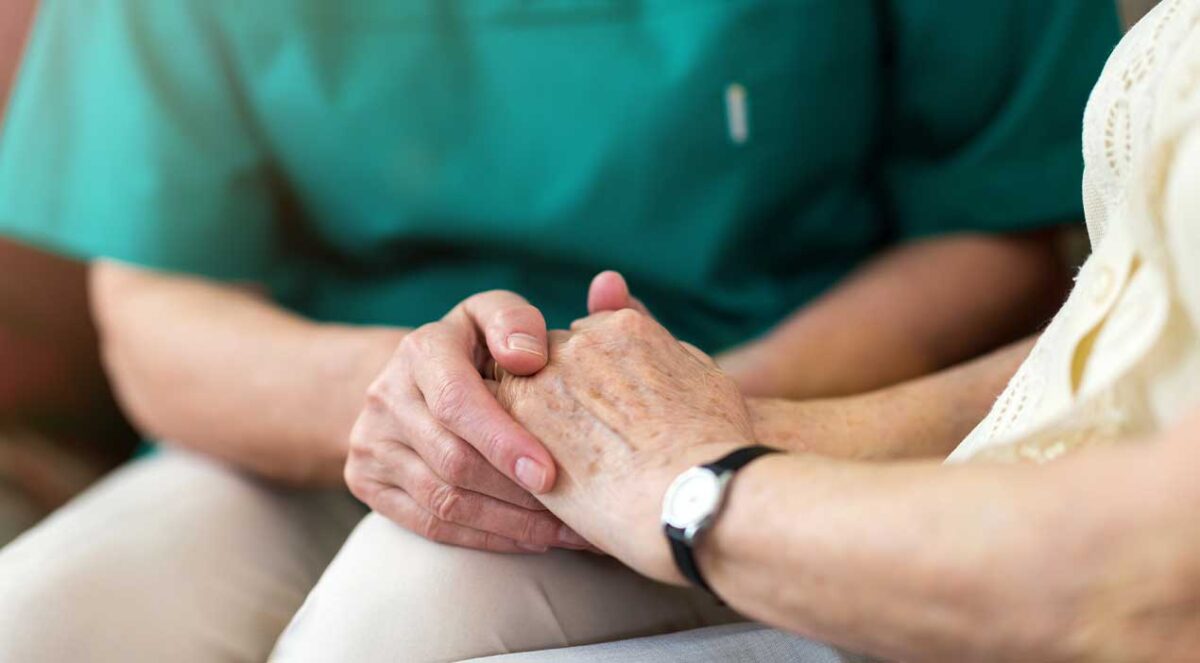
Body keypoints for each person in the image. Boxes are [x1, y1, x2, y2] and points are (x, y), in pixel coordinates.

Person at [0, 1, 1118, 661]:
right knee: (39, 624)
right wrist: (426, 401)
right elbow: (155, 314)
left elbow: (997, 233)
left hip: (763, 407)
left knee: (385, 634)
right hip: (321, 417)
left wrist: (673, 419)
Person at [278, 0, 1200, 660]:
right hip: (984, 489)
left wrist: (701, 490)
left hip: (1076, 586)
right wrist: (705, 428)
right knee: (422, 573)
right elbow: (1117, 341)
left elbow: (1154, 578)